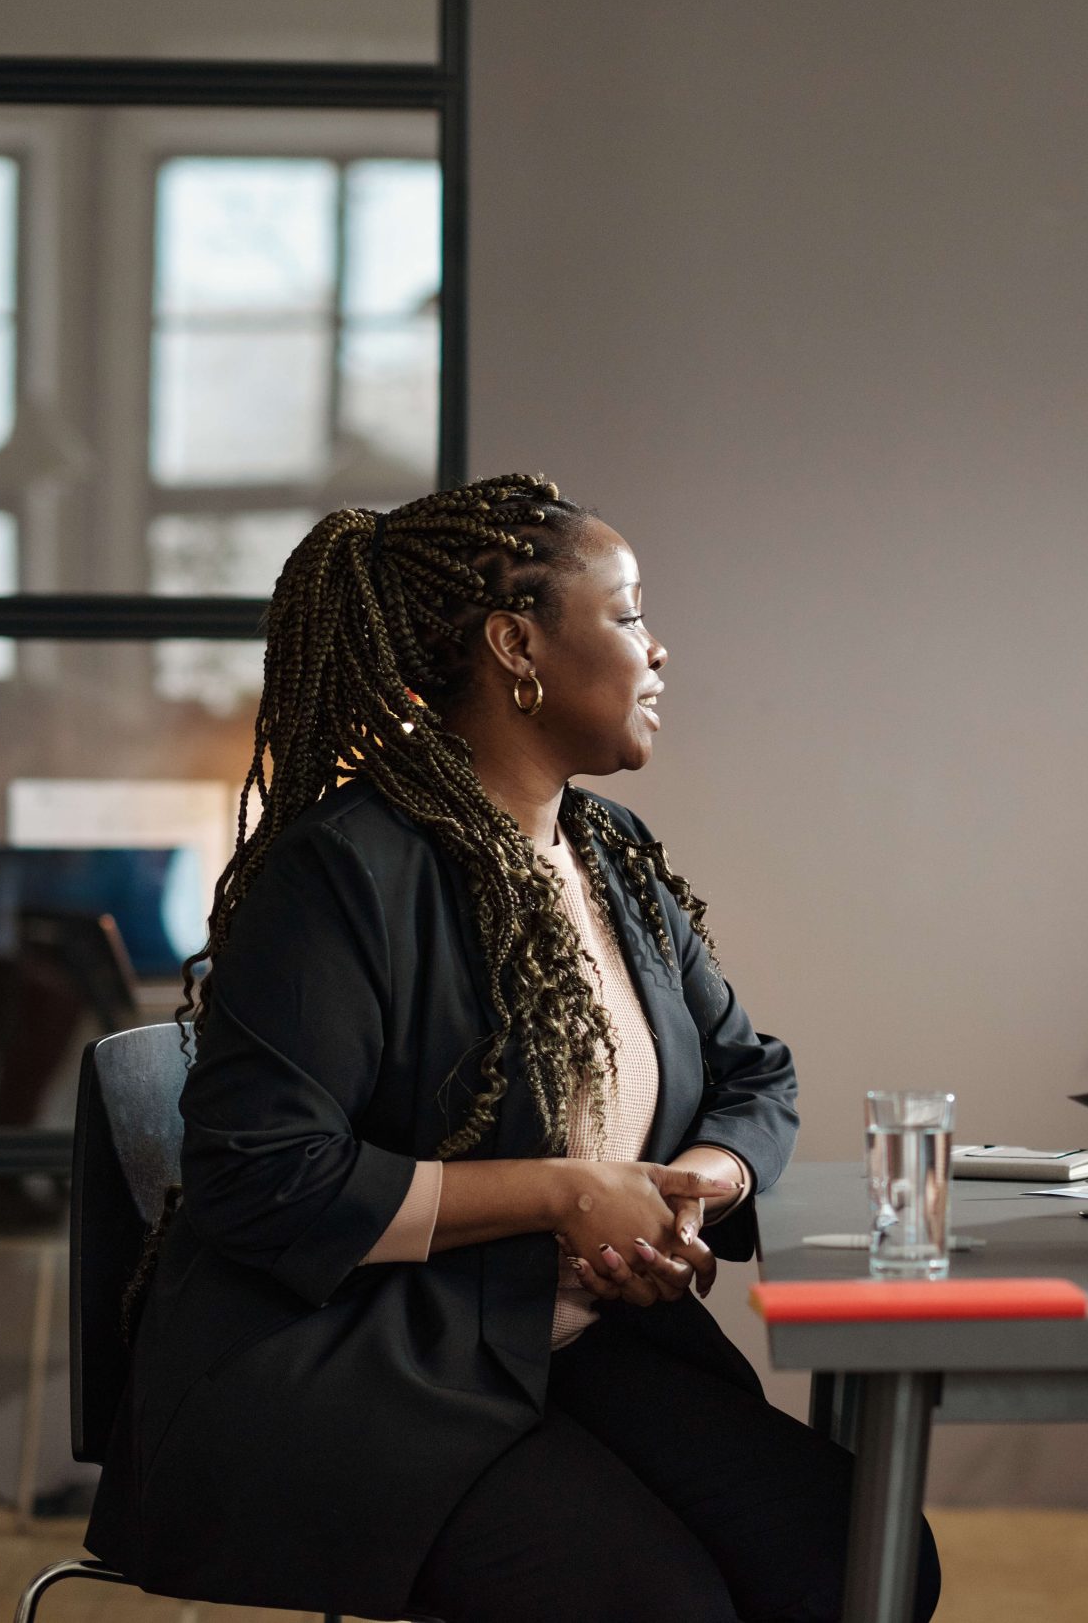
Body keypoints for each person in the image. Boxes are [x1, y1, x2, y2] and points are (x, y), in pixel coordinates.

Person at [85, 477, 939, 1623]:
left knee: (861, 1561)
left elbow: (751, 1072)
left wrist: (702, 1184)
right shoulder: (341, 872)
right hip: (359, 1370)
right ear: (515, 644)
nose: (659, 648)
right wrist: (567, 1192)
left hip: (572, 1345)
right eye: (629, 612)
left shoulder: (612, 855)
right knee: (657, 1605)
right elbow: (263, 1178)